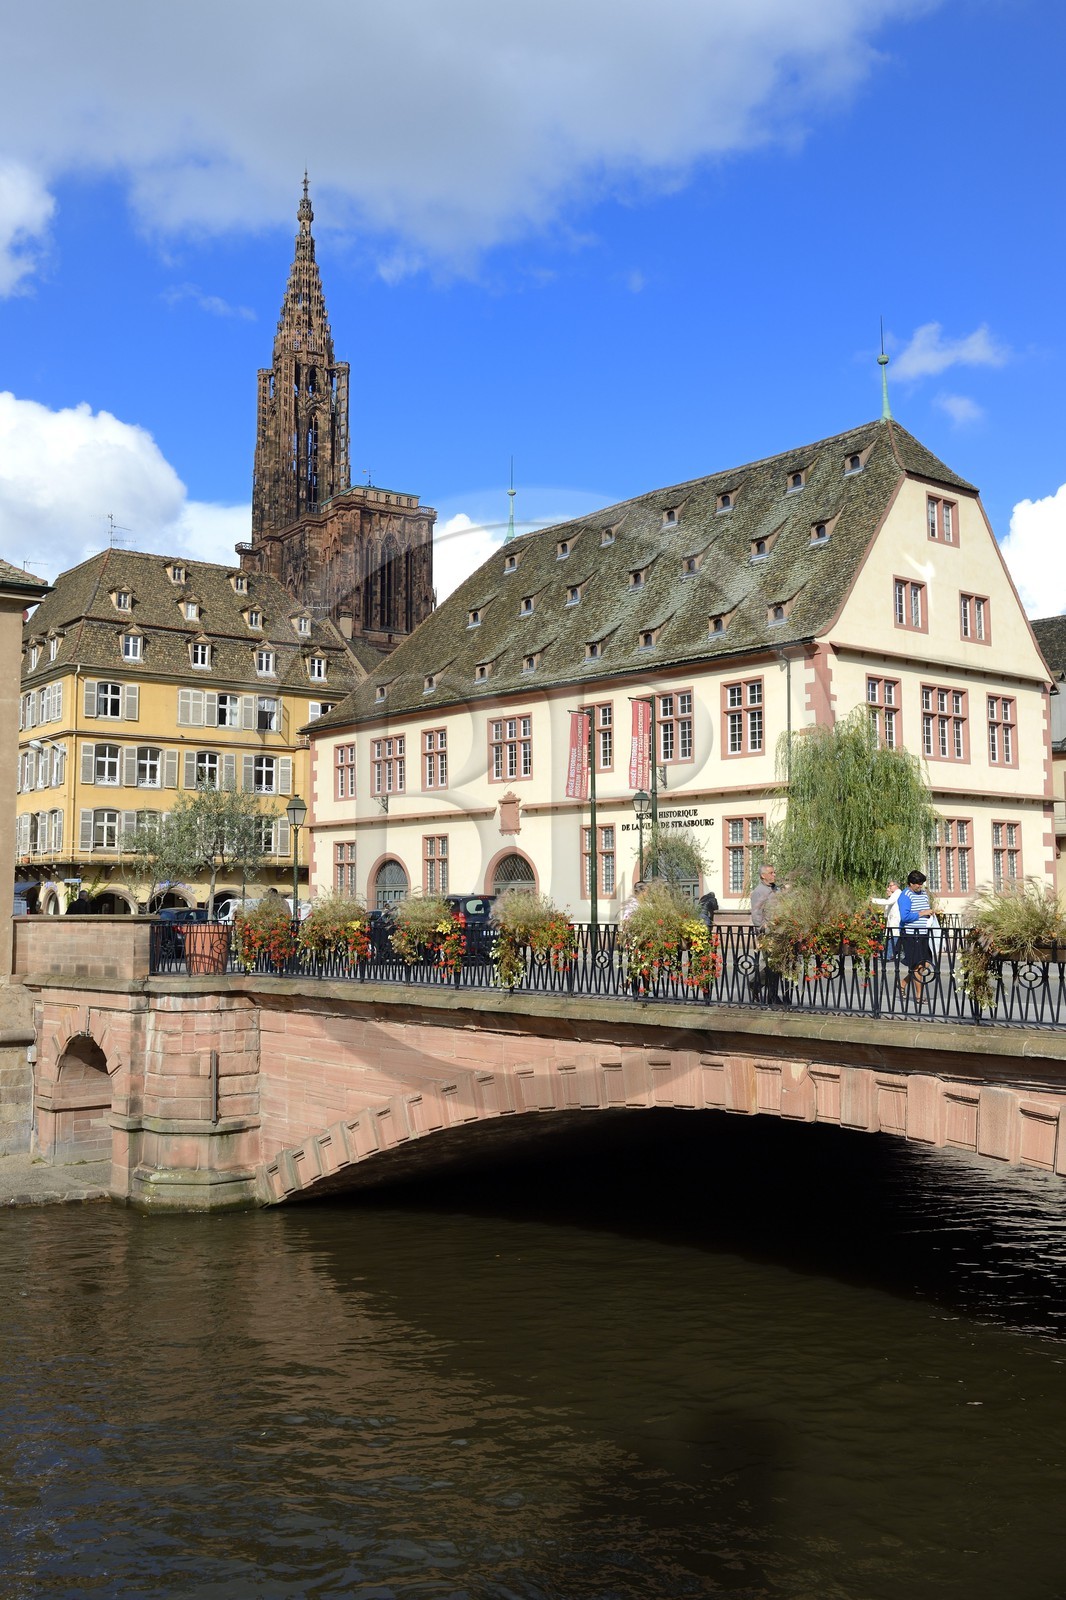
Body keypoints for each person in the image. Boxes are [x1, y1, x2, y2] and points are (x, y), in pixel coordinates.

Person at [897, 870, 933, 1001]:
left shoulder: (923, 893)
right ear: (911, 883)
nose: (920, 886)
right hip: (911, 935)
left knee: (926, 964)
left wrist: (930, 914)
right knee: (917, 965)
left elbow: (925, 909)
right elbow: (905, 916)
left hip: (923, 933)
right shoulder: (905, 896)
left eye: (921, 883)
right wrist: (922, 913)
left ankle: (903, 983)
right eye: (918, 884)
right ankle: (919, 996)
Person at [749, 863, 781, 1003]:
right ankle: (772, 997)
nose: (774, 875)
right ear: (763, 875)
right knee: (773, 965)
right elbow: (756, 915)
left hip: (779, 932)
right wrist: (765, 929)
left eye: (774, 872)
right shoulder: (759, 891)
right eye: (771, 873)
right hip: (767, 934)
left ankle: (756, 984)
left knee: (777, 965)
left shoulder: (775, 889)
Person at [871, 879, 903, 958]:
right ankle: (890, 954)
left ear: (896, 886)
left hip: (895, 919)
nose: (889, 887)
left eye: (890, 886)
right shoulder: (894, 894)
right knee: (891, 936)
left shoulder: (898, 893)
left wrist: (874, 900)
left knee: (893, 937)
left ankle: (888, 955)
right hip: (892, 919)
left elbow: (889, 902)